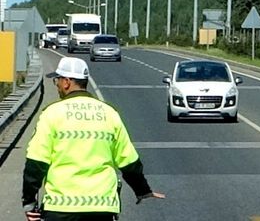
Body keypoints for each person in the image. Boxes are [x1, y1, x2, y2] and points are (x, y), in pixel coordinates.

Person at [22, 57, 165, 221]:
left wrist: (29, 203)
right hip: (101, 208)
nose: (57, 85)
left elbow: (35, 163)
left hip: (61, 208)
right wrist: (142, 190)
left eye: (58, 80)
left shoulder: (52, 113)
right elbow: (129, 162)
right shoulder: (109, 113)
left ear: (67, 82)